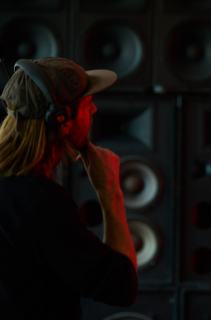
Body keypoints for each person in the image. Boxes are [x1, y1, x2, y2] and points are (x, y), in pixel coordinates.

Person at [0, 57, 138, 319]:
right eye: (87, 104)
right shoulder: (41, 203)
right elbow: (122, 288)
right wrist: (110, 192)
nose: (94, 110)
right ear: (62, 120)